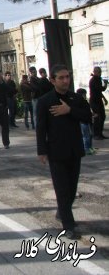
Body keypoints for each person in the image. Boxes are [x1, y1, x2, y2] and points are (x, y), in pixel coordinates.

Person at [36, 65, 92, 240]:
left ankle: (62, 211)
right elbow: (41, 128)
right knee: (62, 189)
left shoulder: (75, 98)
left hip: (75, 150)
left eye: (67, 77)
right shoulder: (45, 101)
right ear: (53, 80)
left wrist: (70, 110)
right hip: (56, 151)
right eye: (61, 78)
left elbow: (88, 117)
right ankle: (69, 225)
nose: (65, 80)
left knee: (72, 187)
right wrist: (42, 151)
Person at [89, 66, 108, 140]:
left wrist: (104, 99)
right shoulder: (93, 80)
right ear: (95, 72)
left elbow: (99, 92)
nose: (100, 74)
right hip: (94, 101)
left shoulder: (98, 79)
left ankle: (100, 133)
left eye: (100, 72)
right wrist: (105, 84)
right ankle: (96, 134)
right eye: (98, 72)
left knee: (102, 116)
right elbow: (101, 89)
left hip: (98, 101)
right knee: (97, 118)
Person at [76, 88, 95, 155]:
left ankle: (89, 147)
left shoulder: (84, 101)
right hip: (83, 121)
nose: (85, 95)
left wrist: (91, 114)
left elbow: (87, 110)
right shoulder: (79, 102)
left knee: (89, 135)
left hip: (87, 120)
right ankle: (87, 148)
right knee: (86, 136)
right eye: (84, 94)